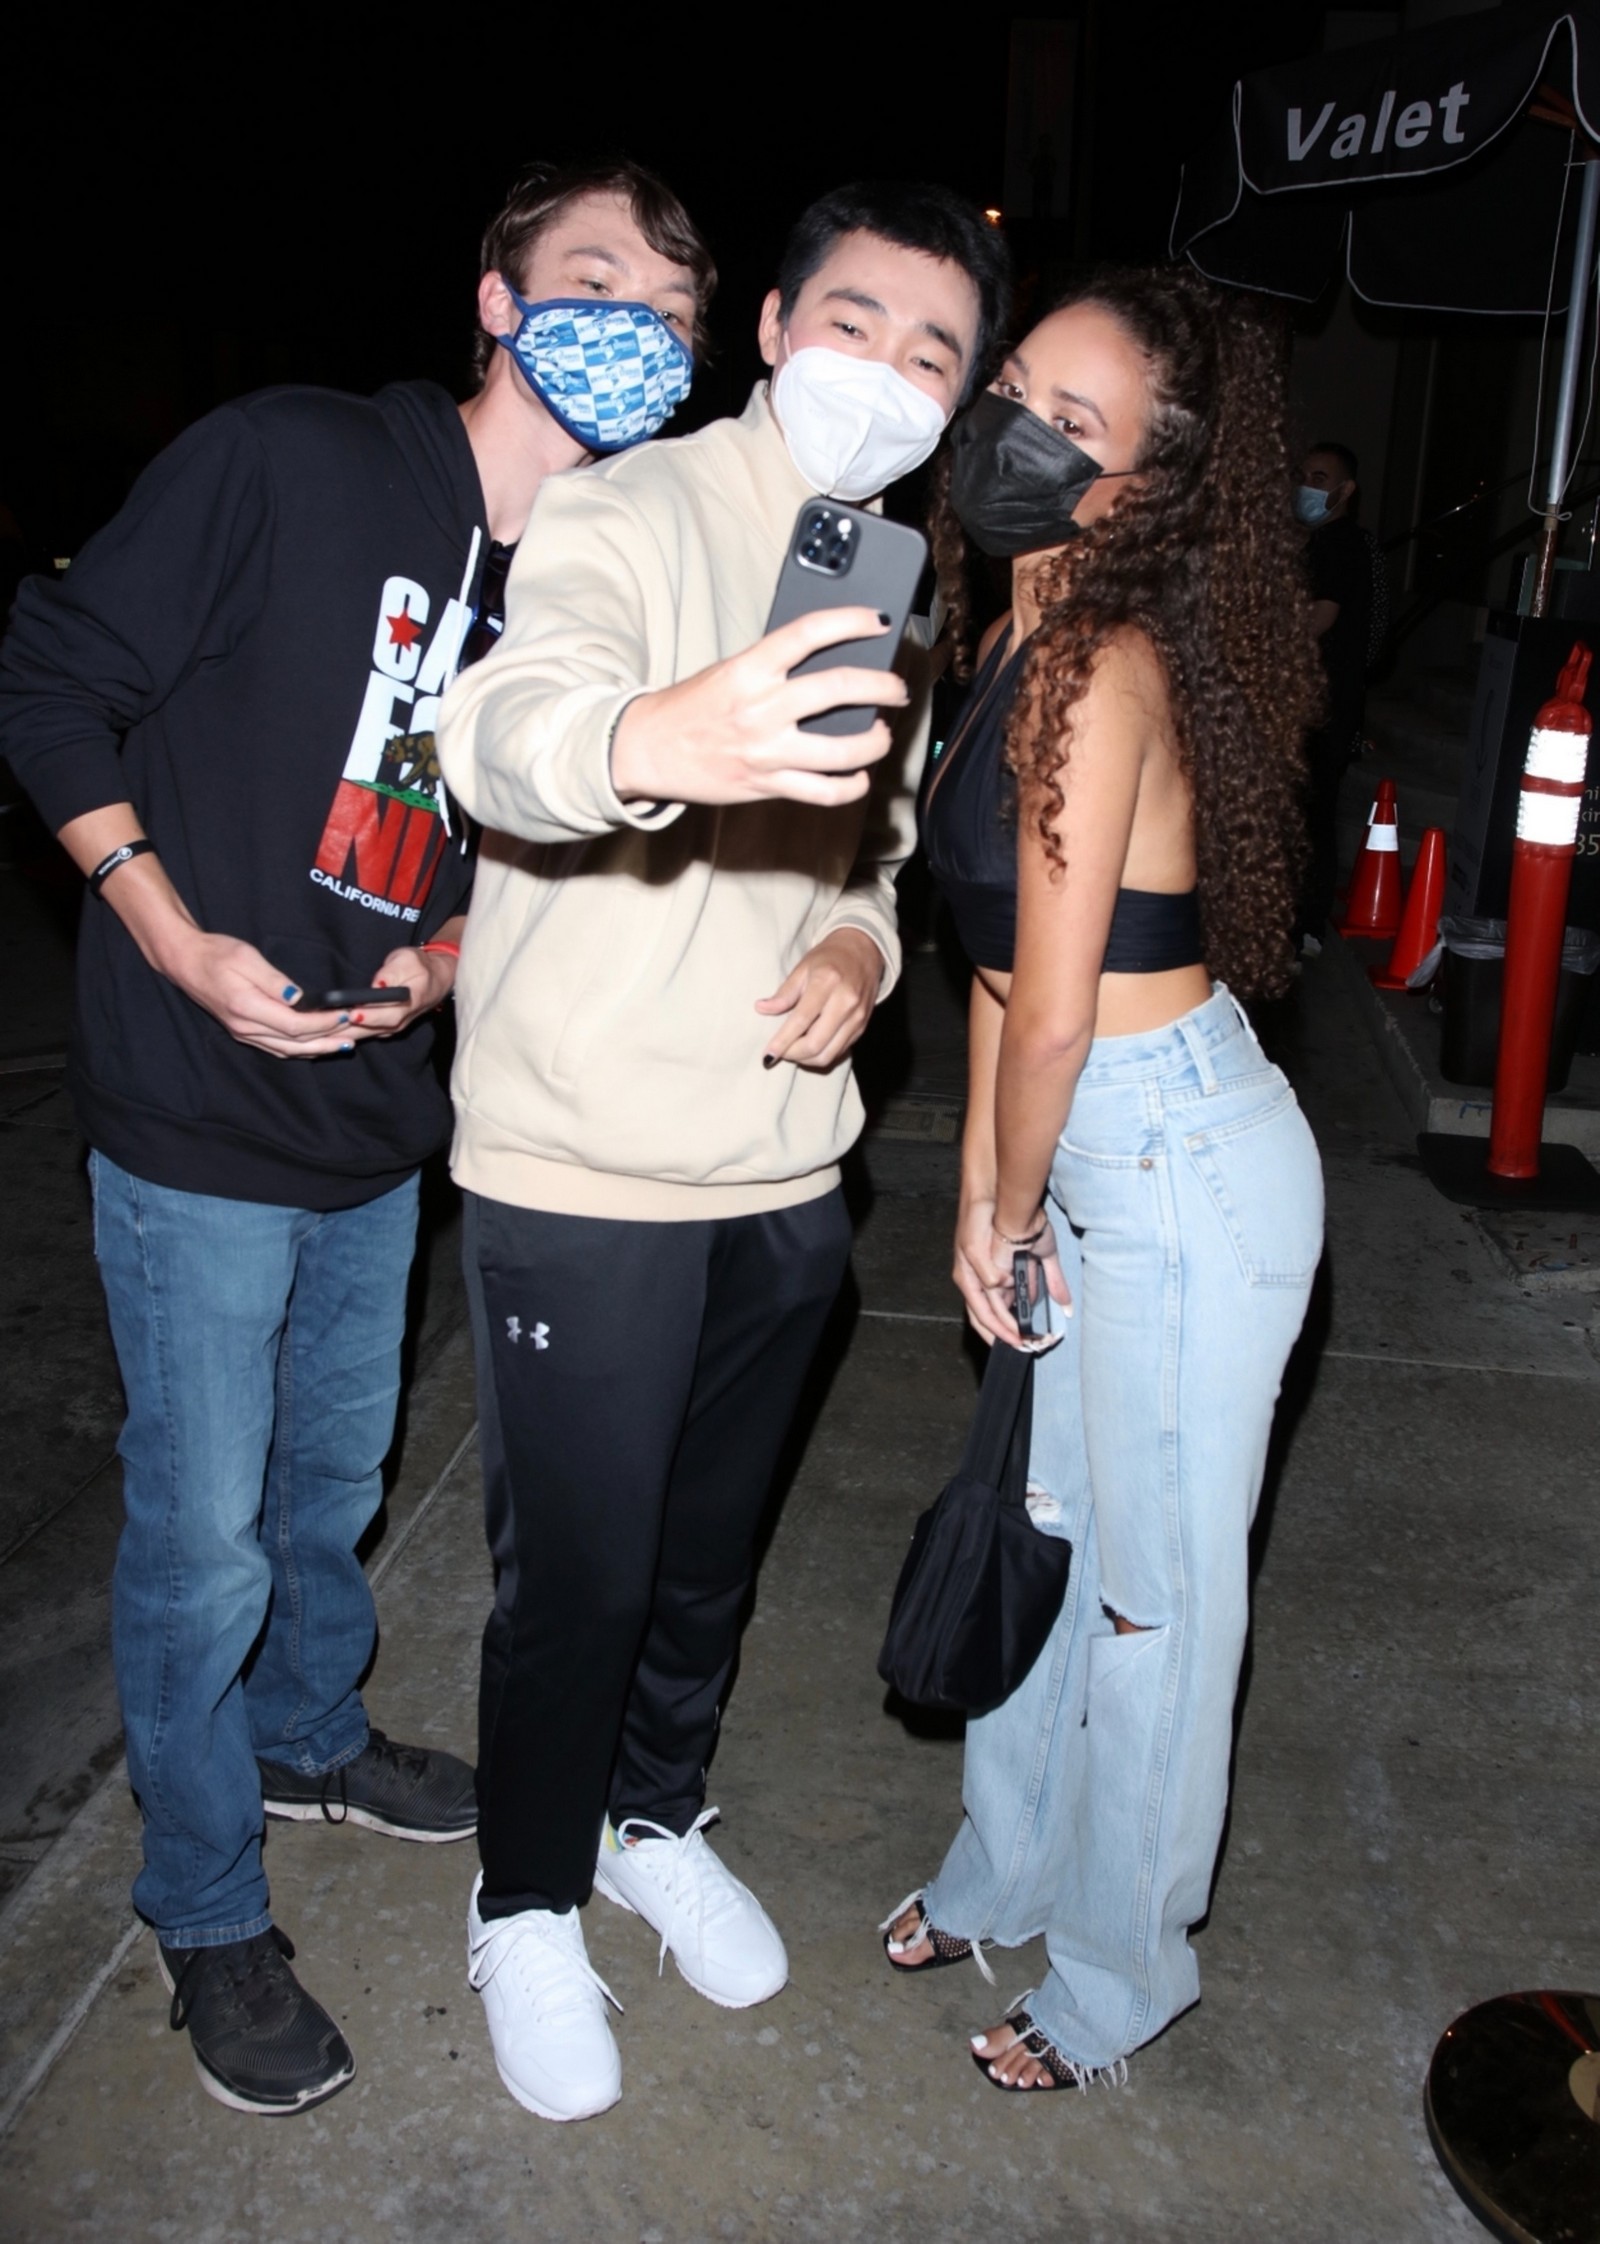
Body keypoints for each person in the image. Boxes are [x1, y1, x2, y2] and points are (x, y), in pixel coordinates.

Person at [0, 157, 714, 2118]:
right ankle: (200, 1900)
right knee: (201, 1545)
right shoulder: (290, 461)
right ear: (495, 299)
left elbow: (537, 845)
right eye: (590, 281)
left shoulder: (596, 583)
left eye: (666, 312)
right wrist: (166, 932)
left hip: (383, 1119)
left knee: (331, 1482)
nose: (628, 329)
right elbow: (50, 676)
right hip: (196, 1109)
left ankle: (310, 1736)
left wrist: (450, 960)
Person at [434, 180, 1011, 2124]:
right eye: (853, 322)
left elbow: (877, 844)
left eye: (931, 351)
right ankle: (525, 1898)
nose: (885, 372)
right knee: (578, 1582)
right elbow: (504, 730)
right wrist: (655, 737)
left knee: (700, 1565)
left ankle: (650, 1819)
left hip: (782, 1172)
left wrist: (857, 946)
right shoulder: (625, 507)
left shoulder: (892, 567)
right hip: (588, 1168)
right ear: (770, 327)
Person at [881, 266, 1325, 2092]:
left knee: (1153, 1599)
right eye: (1015, 388)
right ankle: (1008, 1865)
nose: (1017, 432)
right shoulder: (1008, 635)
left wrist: (1010, 1200)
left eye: (1075, 422)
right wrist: (984, 1201)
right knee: (1050, 1532)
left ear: (1139, 487)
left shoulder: (1098, 669)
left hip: (1181, 1165)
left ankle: (1124, 1969)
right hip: (1084, 1149)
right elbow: (996, 970)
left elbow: (1059, 1013)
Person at [1295, 439, 1377, 951]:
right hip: (1318, 699)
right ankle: (1301, 923)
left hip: (1323, 703)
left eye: (1319, 479)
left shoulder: (1340, 545)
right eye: (1302, 475)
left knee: (1311, 813)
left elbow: (1320, 619)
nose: (1305, 486)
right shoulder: (1319, 543)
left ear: (1345, 491)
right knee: (1307, 812)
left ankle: (1305, 925)